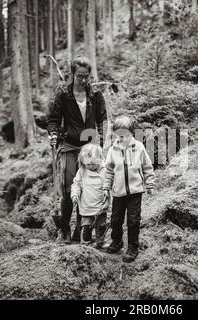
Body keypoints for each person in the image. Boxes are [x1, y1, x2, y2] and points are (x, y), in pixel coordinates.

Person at [47, 56, 107, 244]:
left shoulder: (95, 95)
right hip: (69, 145)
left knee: (88, 188)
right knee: (67, 188)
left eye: (86, 76)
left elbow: (102, 120)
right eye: (79, 76)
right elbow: (54, 119)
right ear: (73, 74)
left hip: (89, 147)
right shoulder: (64, 94)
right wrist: (54, 133)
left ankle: (81, 230)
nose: (83, 80)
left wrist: (103, 141)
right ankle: (64, 228)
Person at [103, 116, 155, 263]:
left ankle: (133, 247)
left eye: (125, 134)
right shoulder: (113, 150)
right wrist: (107, 187)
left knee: (133, 220)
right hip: (118, 192)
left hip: (135, 191)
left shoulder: (139, 147)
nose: (122, 137)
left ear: (132, 133)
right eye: (119, 134)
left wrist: (150, 183)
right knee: (115, 220)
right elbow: (109, 171)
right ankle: (117, 241)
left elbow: (147, 167)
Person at [71, 144, 110, 248]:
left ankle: (100, 241)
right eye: (89, 164)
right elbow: (76, 184)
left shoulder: (105, 170)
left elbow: (109, 183)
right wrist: (75, 194)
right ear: (83, 162)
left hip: (101, 204)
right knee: (86, 226)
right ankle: (85, 243)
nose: (91, 167)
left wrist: (108, 191)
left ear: (100, 159)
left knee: (101, 225)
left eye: (94, 164)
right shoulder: (82, 171)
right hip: (86, 205)